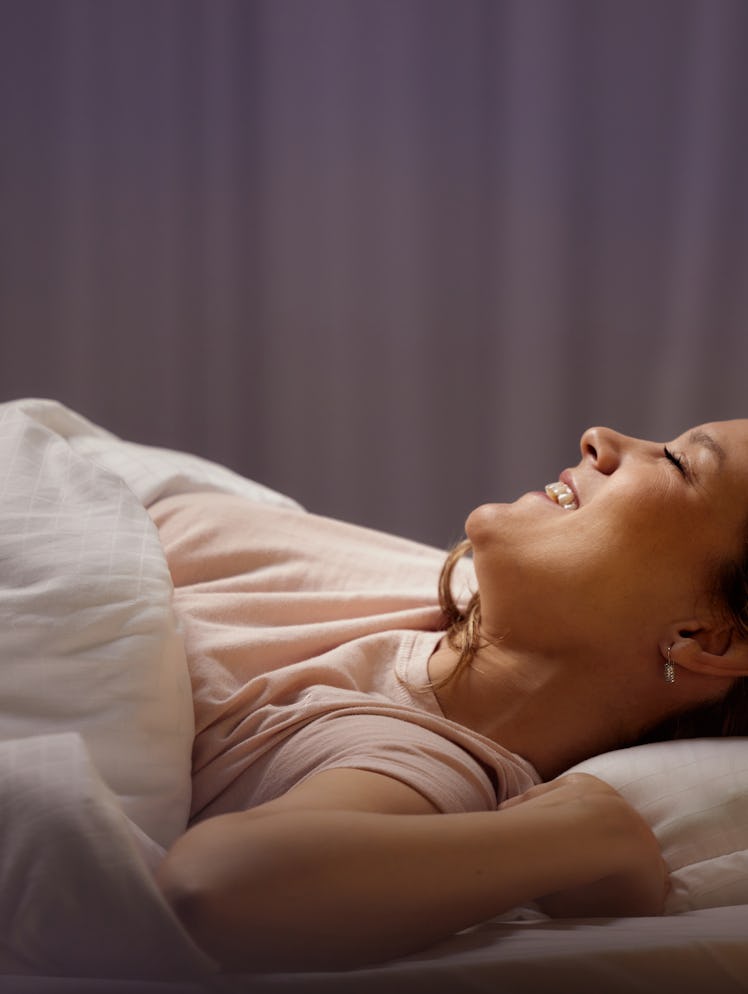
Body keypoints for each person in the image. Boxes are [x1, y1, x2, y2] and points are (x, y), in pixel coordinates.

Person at [151, 421, 748, 973]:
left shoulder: (410, 755)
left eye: (677, 463)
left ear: (703, 637)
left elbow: (215, 886)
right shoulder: (405, 576)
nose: (600, 439)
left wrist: (583, 835)